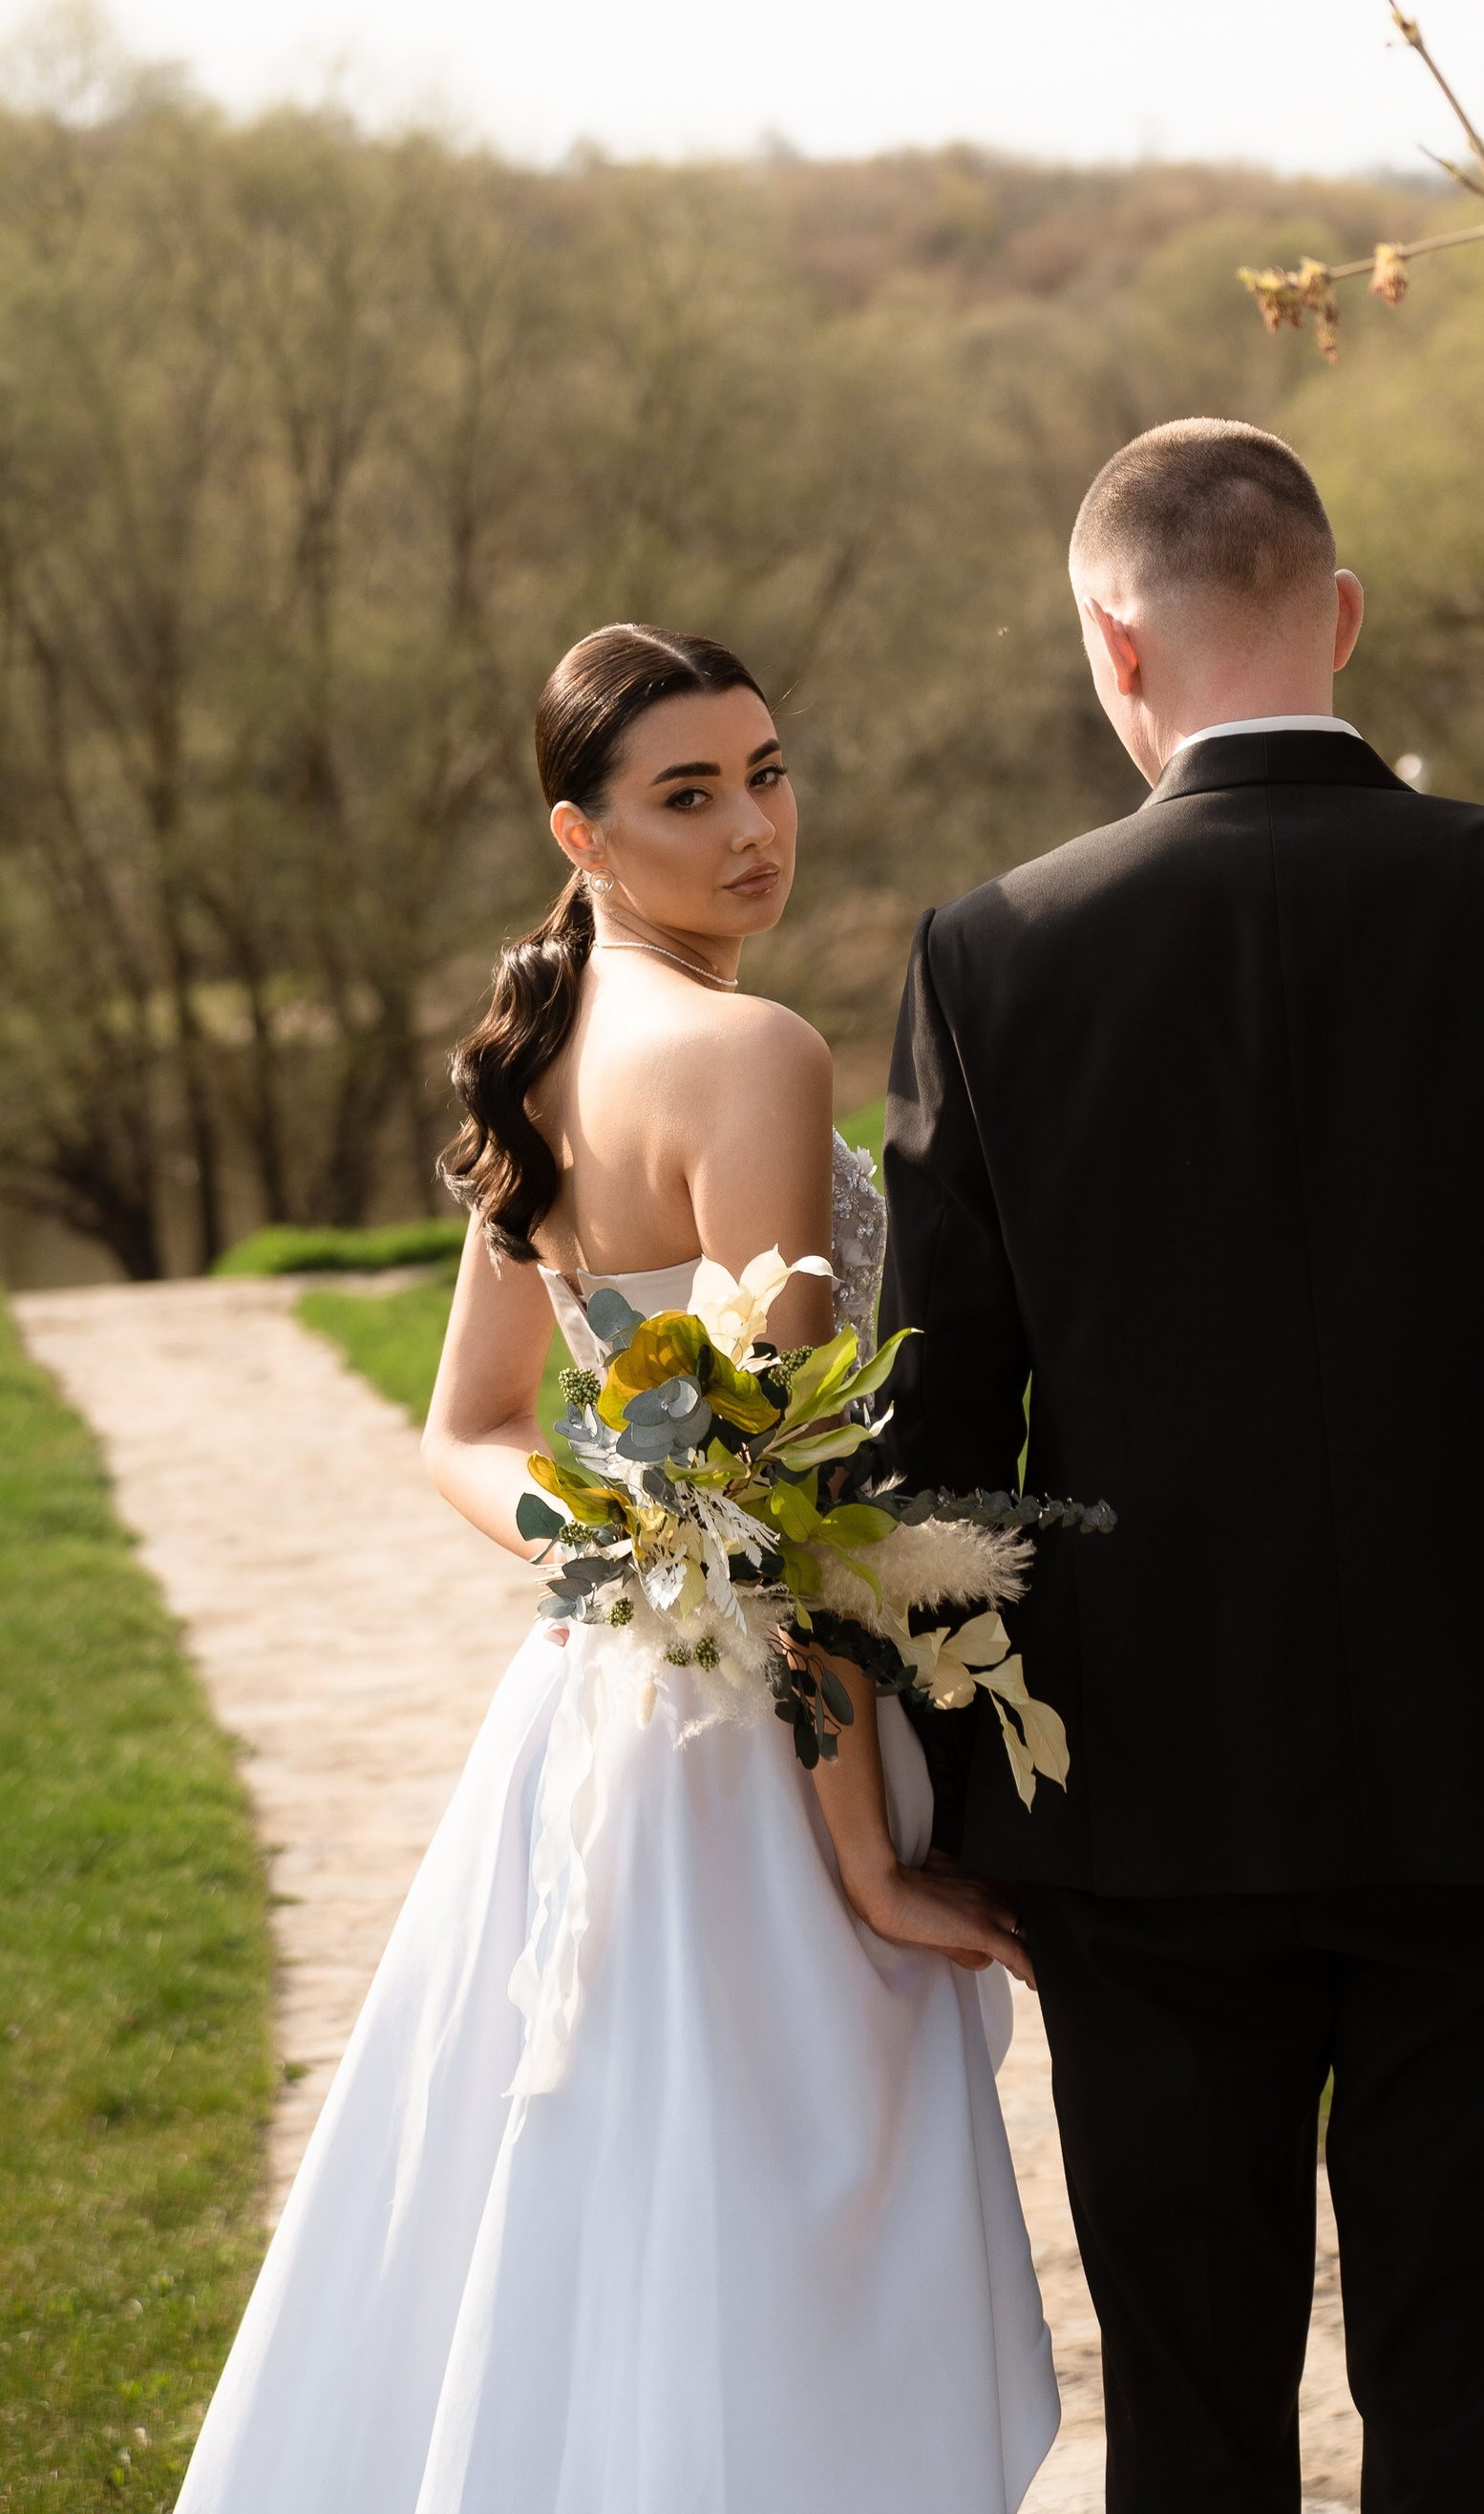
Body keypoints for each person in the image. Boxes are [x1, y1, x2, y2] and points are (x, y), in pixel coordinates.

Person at [882, 418, 1484, 2514]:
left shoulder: (990, 948)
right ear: (1338, 615)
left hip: (1138, 1793)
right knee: (1476, 2367)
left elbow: (940, 1423)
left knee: (1187, 2395)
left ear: (1112, 641)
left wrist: (951, 1765)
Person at [178, 622, 1057, 2514]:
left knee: (590, 2200)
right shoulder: (749, 1055)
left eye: (767, 772)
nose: (754, 826)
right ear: (581, 835)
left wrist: (635, 1556)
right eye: (688, 795)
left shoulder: (550, 1045)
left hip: (592, 1714)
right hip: (756, 1762)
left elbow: (477, 1437)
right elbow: (787, 1503)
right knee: (784, 2262)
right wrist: (862, 1862)